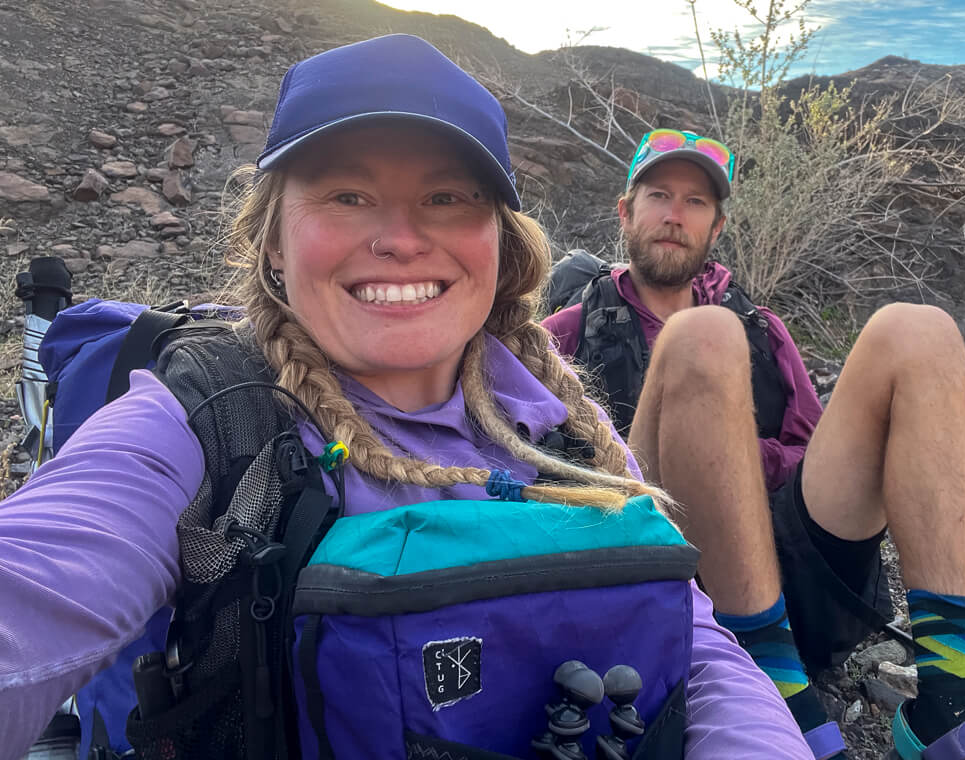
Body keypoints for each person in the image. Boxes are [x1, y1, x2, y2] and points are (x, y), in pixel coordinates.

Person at [0, 37, 813, 760]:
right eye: (347, 195)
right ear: (273, 242)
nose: (399, 237)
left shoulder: (561, 425)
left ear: (503, 244)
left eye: (446, 197)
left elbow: (696, 644)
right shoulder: (204, 424)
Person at [543, 129, 965, 760]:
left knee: (919, 329)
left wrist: (736, 458)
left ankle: (954, 689)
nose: (674, 214)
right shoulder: (564, 332)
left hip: (799, 575)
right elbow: (524, 464)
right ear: (626, 212)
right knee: (702, 337)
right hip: (664, 579)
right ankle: (769, 684)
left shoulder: (763, 329)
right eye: (658, 194)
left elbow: (813, 447)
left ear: (716, 228)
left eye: (696, 202)